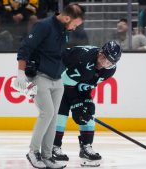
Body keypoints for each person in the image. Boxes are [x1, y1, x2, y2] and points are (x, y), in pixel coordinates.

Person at [12, 3, 85, 169]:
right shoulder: (43, 26)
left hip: (57, 79)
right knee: (47, 113)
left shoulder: (63, 30)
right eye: (74, 24)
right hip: (40, 76)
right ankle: (33, 152)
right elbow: (25, 48)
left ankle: (46, 156)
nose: (74, 28)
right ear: (67, 18)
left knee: (54, 117)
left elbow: (59, 54)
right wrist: (20, 73)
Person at [51, 40, 122, 167]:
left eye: (110, 61)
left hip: (76, 80)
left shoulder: (110, 70)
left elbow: (86, 84)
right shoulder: (84, 60)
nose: (106, 63)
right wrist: (76, 103)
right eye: (105, 58)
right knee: (62, 110)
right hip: (58, 77)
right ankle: (53, 146)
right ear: (100, 53)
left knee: (88, 112)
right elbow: (66, 83)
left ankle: (86, 147)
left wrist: (86, 102)